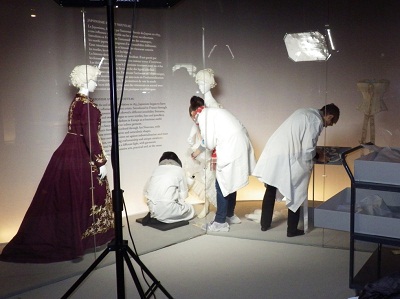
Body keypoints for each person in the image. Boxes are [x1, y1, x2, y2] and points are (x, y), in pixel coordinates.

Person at [0, 65, 114, 263]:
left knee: (69, 197)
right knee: (85, 195)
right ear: (86, 80)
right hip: (81, 154)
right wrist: (100, 161)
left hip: (68, 150)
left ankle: (73, 237)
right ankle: (79, 240)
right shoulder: (86, 104)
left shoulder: (77, 101)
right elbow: (90, 136)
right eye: (95, 79)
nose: (96, 83)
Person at [252, 104, 340, 237]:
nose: (328, 125)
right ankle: (292, 230)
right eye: (330, 122)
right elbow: (307, 151)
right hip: (287, 156)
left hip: (275, 152)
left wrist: (315, 151)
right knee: (297, 190)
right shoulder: (316, 121)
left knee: (271, 187)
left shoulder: (305, 111)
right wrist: (319, 156)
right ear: (329, 116)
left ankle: (264, 224)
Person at [190, 96, 256, 232]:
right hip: (240, 144)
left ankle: (220, 221)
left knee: (221, 185)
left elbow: (208, 143)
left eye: (192, 117)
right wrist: (197, 152)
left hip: (229, 148)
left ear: (193, 112)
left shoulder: (202, 116)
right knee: (230, 183)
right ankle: (229, 214)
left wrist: (197, 152)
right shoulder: (214, 112)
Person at [143, 151, 195, 224]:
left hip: (152, 208)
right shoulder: (179, 170)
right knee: (191, 209)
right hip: (168, 209)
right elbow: (183, 195)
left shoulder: (156, 170)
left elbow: (145, 191)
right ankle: (165, 216)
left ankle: (155, 215)